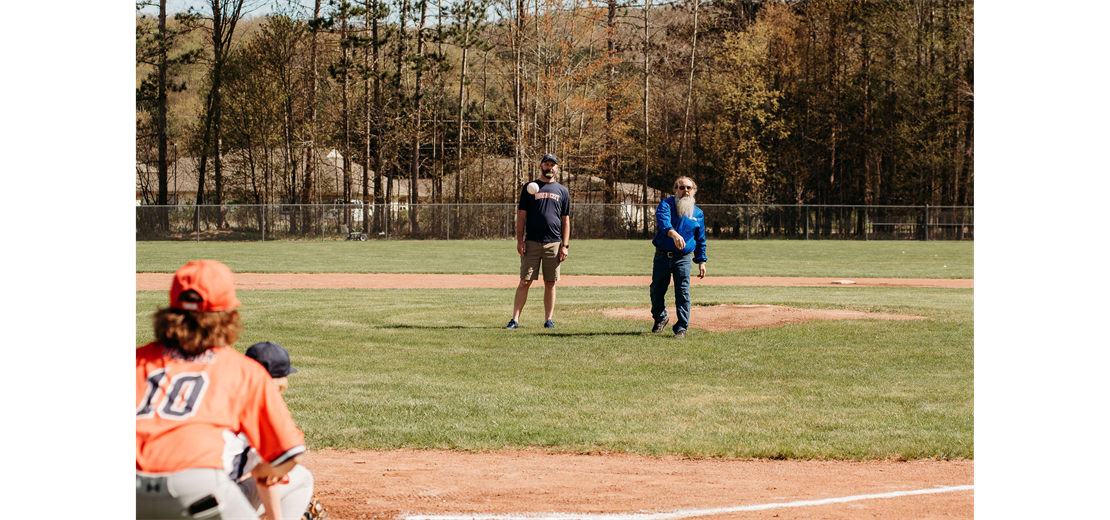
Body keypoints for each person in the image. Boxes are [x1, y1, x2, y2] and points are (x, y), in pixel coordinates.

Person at [136, 260, 306, 520]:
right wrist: (262, 472)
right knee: (299, 478)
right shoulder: (243, 370)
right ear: (228, 316)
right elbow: (289, 454)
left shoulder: (139, 361)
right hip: (197, 489)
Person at [223, 341, 327, 520]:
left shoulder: (217, 395)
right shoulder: (260, 409)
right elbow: (267, 481)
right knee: (301, 477)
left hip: (170, 497)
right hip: (217, 506)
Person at [505, 153, 571, 330]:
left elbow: (565, 220)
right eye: (547, 164)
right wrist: (520, 240)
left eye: (553, 165)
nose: (550, 167)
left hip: (554, 243)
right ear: (541, 166)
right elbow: (521, 216)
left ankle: (548, 320)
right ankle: (515, 320)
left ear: (557, 168)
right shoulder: (529, 188)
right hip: (532, 242)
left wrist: (564, 245)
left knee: (550, 283)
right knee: (524, 281)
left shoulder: (562, 191)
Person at [649, 176, 707, 338]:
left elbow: (700, 239)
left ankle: (681, 327)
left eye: (689, 188)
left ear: (693, 191)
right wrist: (674, 234)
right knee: (656, 291)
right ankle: (660, 318)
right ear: (676, 189)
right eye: (682, 188)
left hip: (684, 258)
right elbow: (663, 221)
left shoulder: (698, 214)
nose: (685, 191)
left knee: (682, 293)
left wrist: (701, 260)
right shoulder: (666, 204)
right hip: (662, 257)